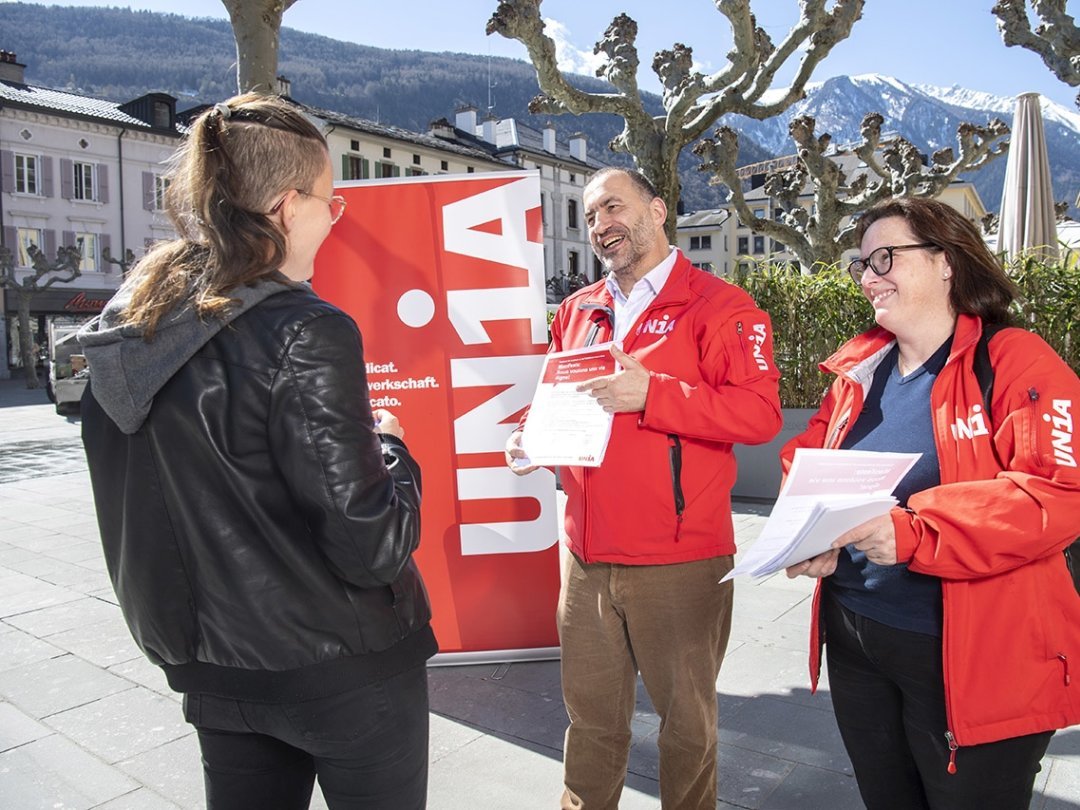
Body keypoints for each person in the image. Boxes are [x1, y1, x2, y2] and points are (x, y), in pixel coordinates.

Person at [78, 93, 436, 810]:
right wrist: (393, 450)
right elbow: (372, 547)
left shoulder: (129, 326)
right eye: (331, 201)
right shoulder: (306, 328)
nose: (338, 219)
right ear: (283, 206)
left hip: (215, 673)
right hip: (344, 673)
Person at [783, 197, 1080, 809]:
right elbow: (808, 461)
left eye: (886, 256)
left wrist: (919, 532)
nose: (869, 276)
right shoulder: (859, 370)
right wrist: (810, 534)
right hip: (855, 636)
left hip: (974, 653)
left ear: (946, 261)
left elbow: (1058, 491)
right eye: (862, 263)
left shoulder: (1015, 359)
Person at [505, 167, 783, 810]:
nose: (602, 224)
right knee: (591, 724)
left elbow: (760, 415)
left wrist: (653, 394)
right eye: (591, 214)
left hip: (681, 560)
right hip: (586, 557)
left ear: (658, 211)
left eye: (614, 207)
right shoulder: (578, 311)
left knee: (687, 728)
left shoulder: (723, 307)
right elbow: (557, 402)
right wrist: (529, 436)